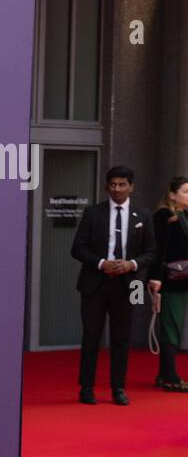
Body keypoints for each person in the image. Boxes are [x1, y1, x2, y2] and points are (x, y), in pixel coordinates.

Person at [70, 166, 156, 405]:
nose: (117, 189)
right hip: (94, 284)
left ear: (131, 187)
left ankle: (118, 388)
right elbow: (77, 249)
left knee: (122, 338)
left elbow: (151, 253)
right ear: (107, 186)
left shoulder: (143, 215)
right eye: (113, 185)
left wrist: (131, 264)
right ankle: (86, 387)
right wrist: (101, 263)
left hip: (130, 286)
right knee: (91, 336)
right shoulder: (92, 213)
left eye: (122, 184)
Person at [149, 177, 188, 391]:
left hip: (184, 280)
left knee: (175, 326)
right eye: (185, 191)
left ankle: (165, 374)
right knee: (171, 326)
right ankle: (170, 377)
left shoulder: (185, 216)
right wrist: (156, 279)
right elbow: (159, 250)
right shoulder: (164, 216)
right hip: (170, 280)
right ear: (172, 195)